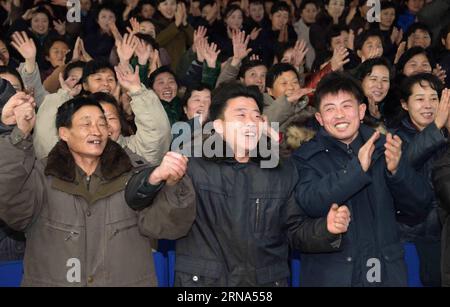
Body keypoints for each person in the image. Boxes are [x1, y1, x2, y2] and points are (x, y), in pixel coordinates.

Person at [125, 81, 351, 287]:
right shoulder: (192, 165)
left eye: (256, 116)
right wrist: (155, 176)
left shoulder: (282, 170)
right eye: (241, 115)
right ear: (219, 127)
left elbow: (294, 230)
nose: (251, 123)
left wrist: (326, 229)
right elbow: (137, 201)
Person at [0, 93, 195, 286]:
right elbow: (12, 206)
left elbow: (168, 227)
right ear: (64, 133)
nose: (97, 131)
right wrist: (17, 136)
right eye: (86, 124)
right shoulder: (41, 176)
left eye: (102, 124)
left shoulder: (134, 174)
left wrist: (172, 184)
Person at [293, 72, 433, 286]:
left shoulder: (386, 147)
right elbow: (310, 202)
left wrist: (398, 171)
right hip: (333, 275)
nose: (339, 115)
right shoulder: (305, 156)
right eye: (330, 109)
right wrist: (357, 170)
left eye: (346, 106)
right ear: (320, 119)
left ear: (361, 111)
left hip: (385, 271)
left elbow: (419, 206)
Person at [394, 73, 448, 287]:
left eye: (433, 98)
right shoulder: (394, 136)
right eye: (419, 99)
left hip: (443, 235)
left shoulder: (446, 132)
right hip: (410, 238)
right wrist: (436, 128)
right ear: (404, 104)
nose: (428, 105)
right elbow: (403, 163)